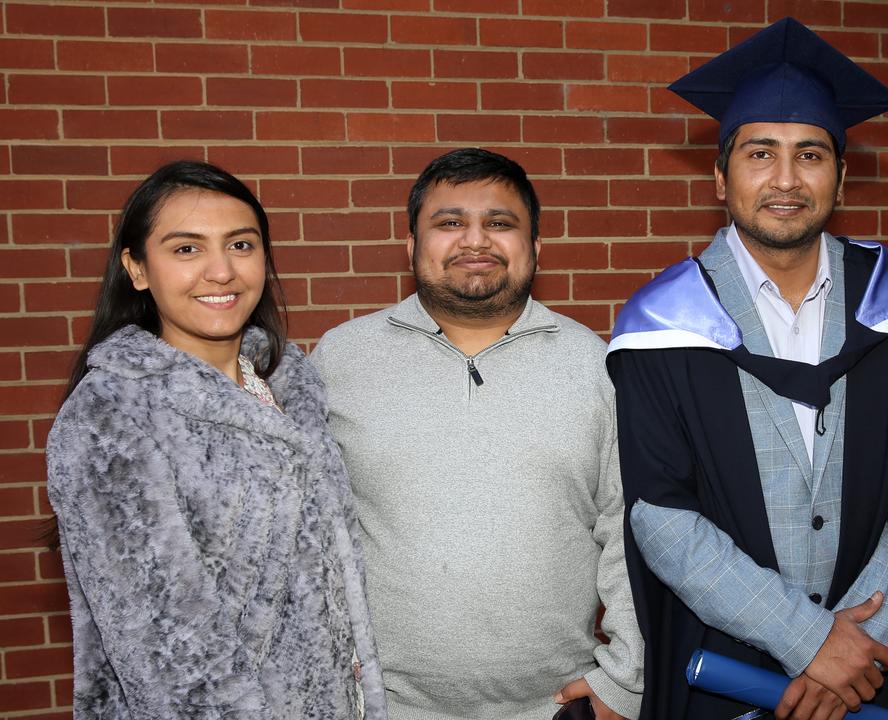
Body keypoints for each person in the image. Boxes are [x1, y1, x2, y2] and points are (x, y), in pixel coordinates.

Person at [606, 17, 888, 720]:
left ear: (842, 177)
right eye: (760, 153)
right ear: (720, 176)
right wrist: (808, 638)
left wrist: (860, 644)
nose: (786, 179)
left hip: (871, 676)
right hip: (727, 671)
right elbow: (661, 516)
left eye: (811, 154)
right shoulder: (664, 323)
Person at [310, 147, 644, 720]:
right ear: (412, 246)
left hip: (555, 707)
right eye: (450, 222)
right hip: (384, 707)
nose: (475, 241)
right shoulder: (339, 361)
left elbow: (628, 530)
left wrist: (625, 681)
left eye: (498, 223)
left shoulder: (598, 366)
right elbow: (306, 531)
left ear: (535, 248)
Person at [45, 161, 387, 718]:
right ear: (137, 268)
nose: (221, 271)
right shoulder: (110, 415)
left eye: (241, 245)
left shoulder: (291, 387)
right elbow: (166, 656)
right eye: (186, 249)